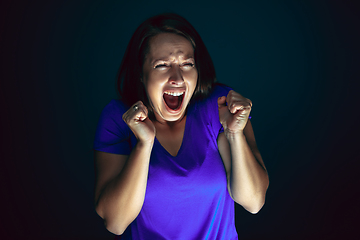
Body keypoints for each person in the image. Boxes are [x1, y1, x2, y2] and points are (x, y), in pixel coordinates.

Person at [93, 13, 269, 240]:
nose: (177, 78)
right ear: (140, 73)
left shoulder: (220, 106)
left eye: (187, 64)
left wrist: (235, 133)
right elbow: (116, 222)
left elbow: (253, 201)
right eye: (162, 65)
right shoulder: (118, 118)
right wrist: (144, 145)